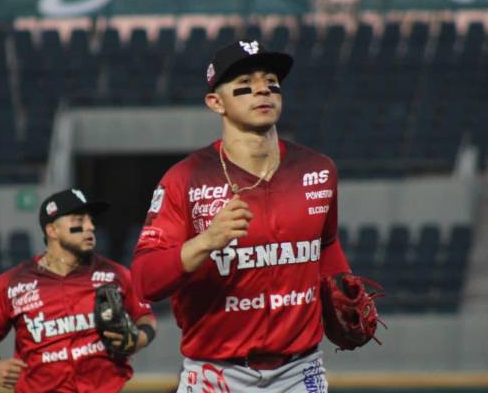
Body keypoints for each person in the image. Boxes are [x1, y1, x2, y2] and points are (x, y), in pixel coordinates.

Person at [132, 40, 356, 392]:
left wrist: (343, 283)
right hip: (216, 374)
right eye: (245, 84)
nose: (262, 89)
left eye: (270, 81)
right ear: (215, 102)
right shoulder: (185, 179)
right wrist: (207, 241)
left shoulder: (318, 170)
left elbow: (326, 243)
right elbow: (145, 281)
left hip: (300, 371)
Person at [0, 188, 157, 392]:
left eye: (91, 220)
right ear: (52, 230)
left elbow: (145, 317)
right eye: (79, 221)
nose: (90, 227)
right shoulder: (11, 283)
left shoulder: (116, 274)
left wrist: (140, 338)